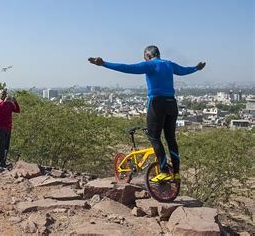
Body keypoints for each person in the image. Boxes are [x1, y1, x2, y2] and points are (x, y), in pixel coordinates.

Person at [88, 45, 206, 182]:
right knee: (171, 139)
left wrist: (104, 64)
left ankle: (164, 171)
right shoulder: (169, 64)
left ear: (147, 56)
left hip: (157, 103)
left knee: (154, 137)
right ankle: (176, 173)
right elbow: (184, 71)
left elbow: (127, 68)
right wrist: (196, 68)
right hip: (172, 103)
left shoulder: (149, 65)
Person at [0, 88, 21, 171]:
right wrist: (4, 102)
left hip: (8, 127)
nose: (4, 95)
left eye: (5, 94)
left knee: (6, 146)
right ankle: (0, 163)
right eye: (2, 94)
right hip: (1, 127)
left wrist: (15, 102)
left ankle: (4, 162)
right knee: (1, 145)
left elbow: (17, 110)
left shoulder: (9, 104)